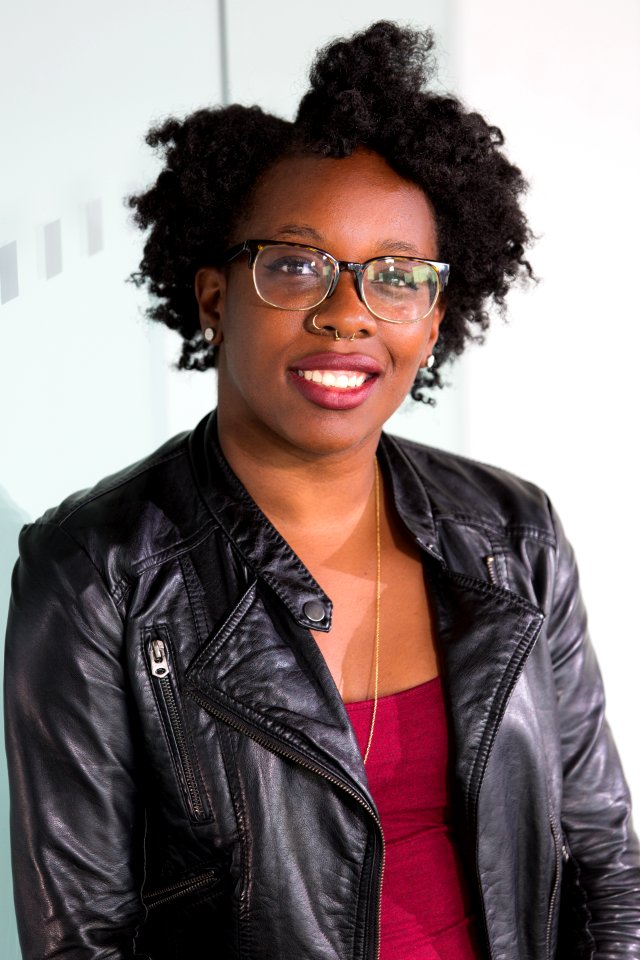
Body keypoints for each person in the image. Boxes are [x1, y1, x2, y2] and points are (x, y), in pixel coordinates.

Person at [4, 20, 640, 960]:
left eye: (396, 276)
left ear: (432, 320)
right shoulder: (97, 574)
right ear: (216, 297)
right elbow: (81, 940)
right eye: (296, 264)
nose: (348, 314)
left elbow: (602, 866)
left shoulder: (514, 532)